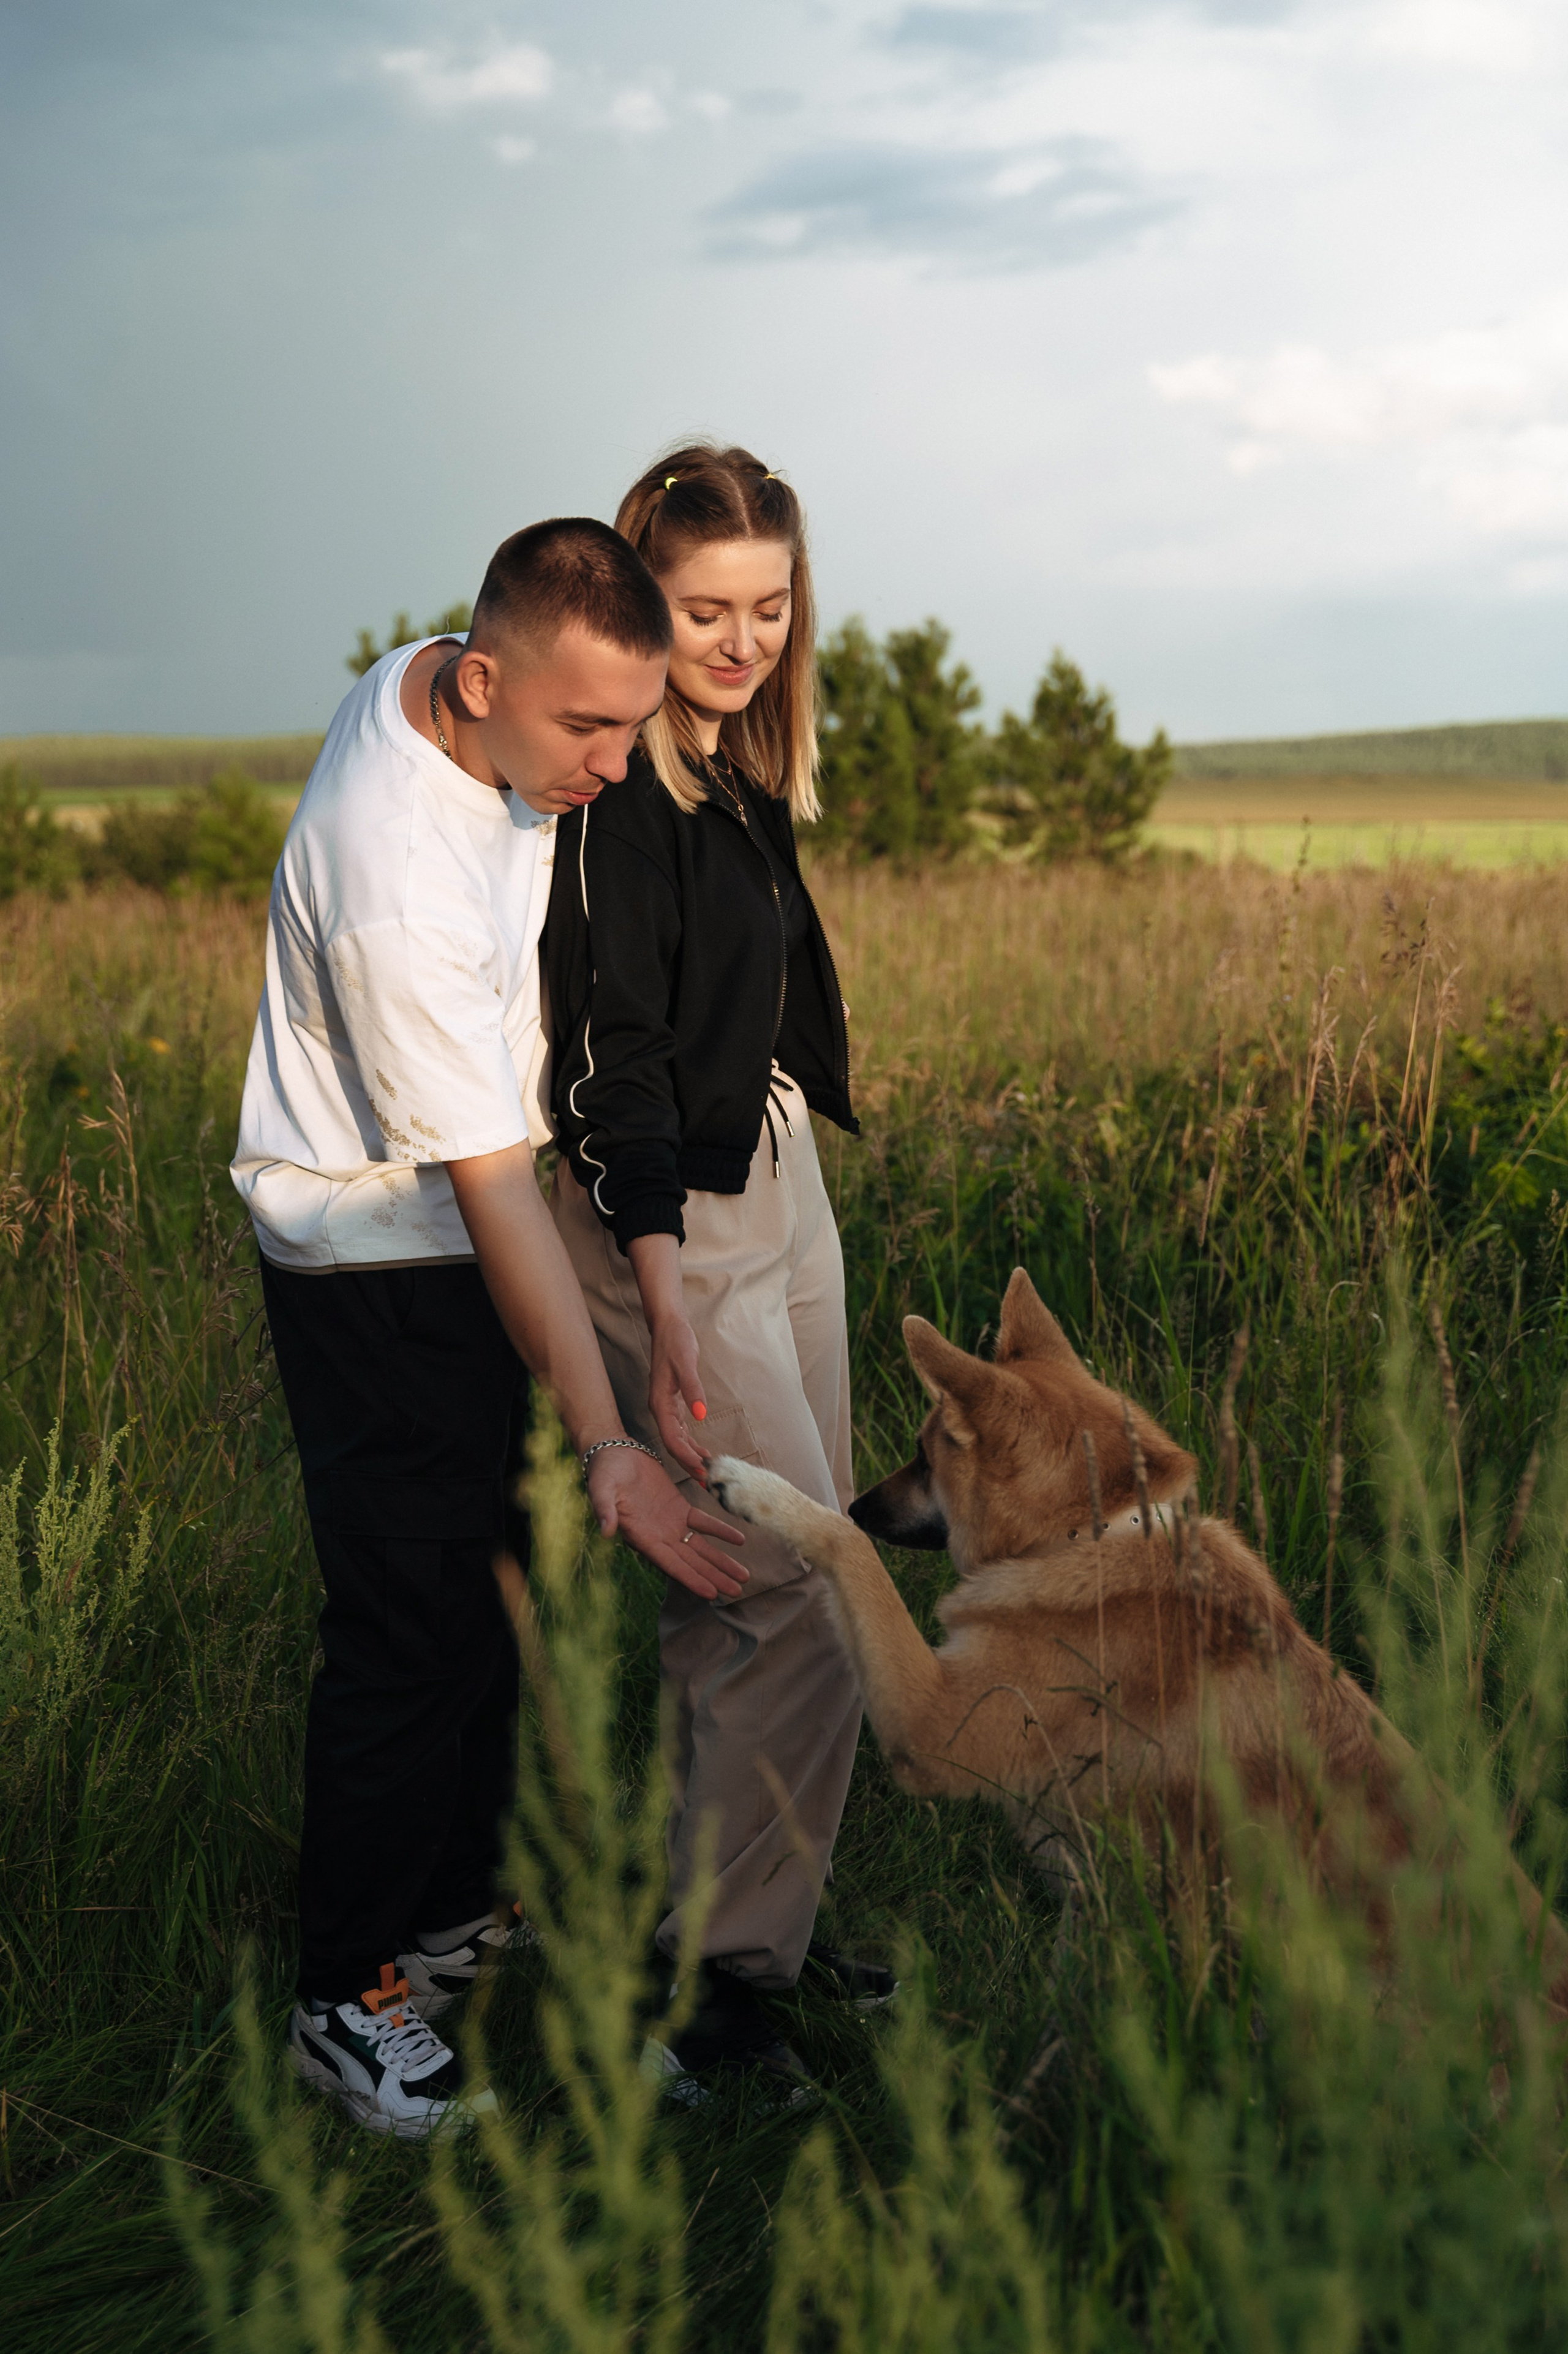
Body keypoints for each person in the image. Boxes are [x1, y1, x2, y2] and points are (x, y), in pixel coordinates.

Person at [231, 518, 745, 2141]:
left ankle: (447, 1919)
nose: (609, 764)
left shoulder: (450, 701)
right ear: (479, 681)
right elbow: (496, 1193)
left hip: (440, 1227)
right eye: (584, 730)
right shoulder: (394, 877)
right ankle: (345, 1994)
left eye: (632, 726)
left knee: (485, 1594)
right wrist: (611, 1443)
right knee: (405, 1629)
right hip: (368, 1258)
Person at [544, 443, 889, 2100]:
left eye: (769, 606)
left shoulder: (734, 764)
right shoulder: (620, 788)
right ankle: (713, 2003)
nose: (741, 640)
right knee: (792, 1585)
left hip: (767, 1169)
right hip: (667, 1211)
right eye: (703, 610)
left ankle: (758, 1909)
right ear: (642, 593)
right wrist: (659, 1276)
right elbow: (607, 1053)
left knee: (759, 1603)